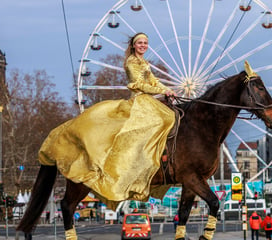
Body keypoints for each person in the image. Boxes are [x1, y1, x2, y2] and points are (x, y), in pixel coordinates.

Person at [38, 32, 176, 210]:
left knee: (170, 118)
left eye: (145, 43)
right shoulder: (131, 62)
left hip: (150, 101)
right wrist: (162, 92)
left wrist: (168, 90)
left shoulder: (145, 63)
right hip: (139, 101)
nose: (143, 45)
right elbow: (138, 85)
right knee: (156, 123)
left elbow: (154, 80)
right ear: (134, 45)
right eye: (140, 43)